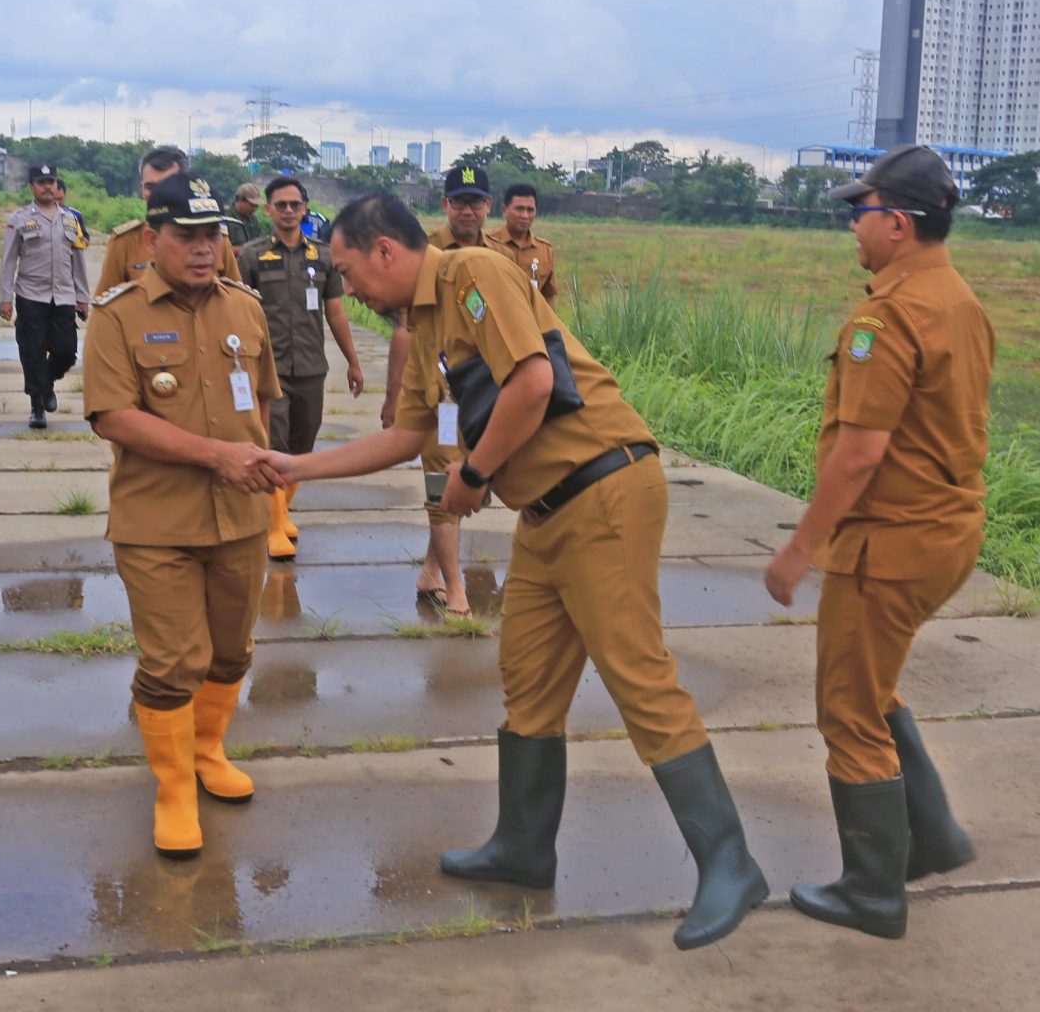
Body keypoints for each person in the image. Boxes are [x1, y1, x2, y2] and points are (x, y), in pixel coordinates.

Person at [269, 192, 767, 950]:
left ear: (384, 252)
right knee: (528, 677)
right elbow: (407, 434)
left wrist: (474, 472)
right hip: (544, 512)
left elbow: (533, 382)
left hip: (605, 489)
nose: (350, 289)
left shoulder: (475, 272)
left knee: (638, 676)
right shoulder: (422, 322)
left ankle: (730, 862)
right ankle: (525, 848)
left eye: (347, 271)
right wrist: (295, 466)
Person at [764, 145, 992, 940]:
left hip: (890, 545)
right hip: (948, 533)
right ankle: (929, 837)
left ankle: (871, 892)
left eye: (859, 214)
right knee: (877, 686)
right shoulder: (958, 298)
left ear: (897, 223)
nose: (852, 228)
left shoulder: (885, 317)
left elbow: (861, 452)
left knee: (849, 712)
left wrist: (800, 550)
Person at [82, 172, 282, 859]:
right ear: (152, 238)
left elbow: (260, 404)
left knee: (231, 651)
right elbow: (113, 417)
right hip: (156, 522)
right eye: (187, 237)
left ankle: (207, 751)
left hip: (240, 517)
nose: (203, 249)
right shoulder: (117, 315)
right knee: (174, 661)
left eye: (213, 235)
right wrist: (215, 455)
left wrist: (261, 471)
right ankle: (172, 789)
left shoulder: (246, 309)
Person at [379, 164, 515, 616]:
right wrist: (394, 396)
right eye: (459, 201)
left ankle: (430, 572)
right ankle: (456, 591)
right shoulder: (425, 255)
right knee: (441, 486)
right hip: (440, 396)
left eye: (476, 201)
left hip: (488, 394)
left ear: (488, 206)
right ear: (444, 205)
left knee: (466, 485)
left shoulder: (500, 256)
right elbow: (404, 330)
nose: (467, 210)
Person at [237, 175, 364, 560]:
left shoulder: (322, 257)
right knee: (273, 445)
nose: (289, 211)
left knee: (303, 445)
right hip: (268, 367)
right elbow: (238, 310)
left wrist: (353, 362)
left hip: (310, 364)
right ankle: (274, 526)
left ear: (305, 208)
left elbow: (336, 312)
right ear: (269, 210)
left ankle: (282, 508)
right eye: (281, 205)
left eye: (296, 204)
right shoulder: (252, 256)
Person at [0, 162, 90, 429]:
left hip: (63, 296)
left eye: (51, 181)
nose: (47, 186)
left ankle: (47, 382)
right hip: (30, 295)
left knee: (67, 352)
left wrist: (83, 297)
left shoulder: (71, 220)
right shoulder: (19, 220)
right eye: (41, 182)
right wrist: (6, 298)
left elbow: (78, 261)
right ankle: (37, 409)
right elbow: (8, 261)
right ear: (32, 187)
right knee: (33, 352)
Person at [95, 147, 243, 294]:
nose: (158, 194)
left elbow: (235, 299)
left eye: (166, 185)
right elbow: (106, 303)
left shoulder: (216, 239)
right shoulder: (125, 241)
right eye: (150, 187)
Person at [487, 182, 559, 304]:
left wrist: (551, 323)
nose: (525, 216)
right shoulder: (487, 244)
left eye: (530, 210)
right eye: (519, 209)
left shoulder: (544, 250)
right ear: (504, 210)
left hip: (532, 321)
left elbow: (548, 297)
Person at [224, 182, 265, 247]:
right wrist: (246, 250)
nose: (254, 209)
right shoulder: (225, 219)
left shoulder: (253, 220)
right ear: (240, 200)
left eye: (256, 206)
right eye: (252, 205)